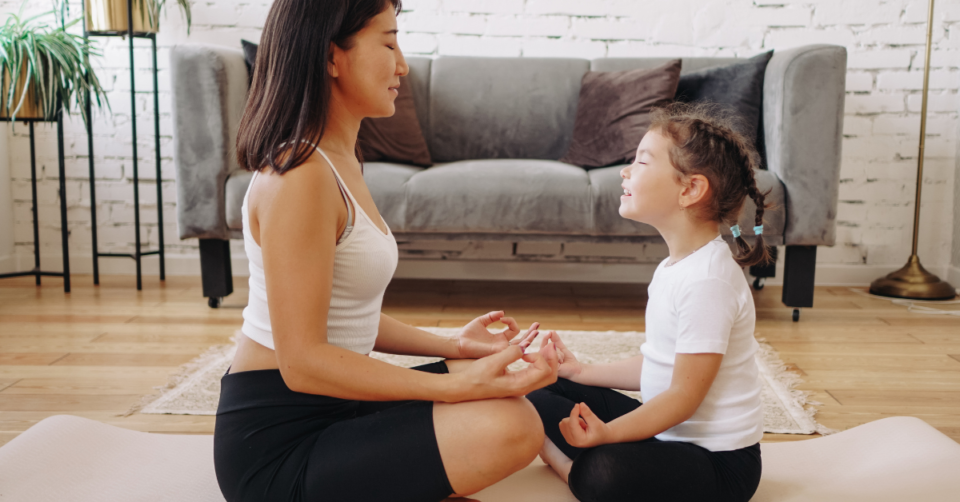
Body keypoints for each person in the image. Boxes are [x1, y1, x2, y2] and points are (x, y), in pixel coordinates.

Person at [213, 1, 559, 501]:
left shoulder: (339, 159)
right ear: (332, 56)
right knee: (510, 424)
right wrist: (453, 387)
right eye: (389, 42)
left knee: (501, 381)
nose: (403, 65)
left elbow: (343, 317)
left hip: (335, 408)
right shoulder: (301, 177)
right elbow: (303, 362)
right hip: (277, 445)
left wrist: (455, 349)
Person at [528, 103, 769, 502]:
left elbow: (682, 398)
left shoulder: (708, 279)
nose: (625, 171)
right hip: (666, 435)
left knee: (604, 473)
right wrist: (582, 371)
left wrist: (608, 435)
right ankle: (584, 454)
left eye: (641, 161)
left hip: (718, 463)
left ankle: (572, 469)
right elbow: (664, 363)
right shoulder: (675, 267)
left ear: (690, 189)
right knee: (543, 388)